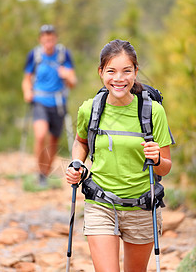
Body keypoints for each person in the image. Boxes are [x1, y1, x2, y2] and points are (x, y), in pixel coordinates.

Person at [66, 39, 172, 272]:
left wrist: (156, 160)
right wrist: (77, 163)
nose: (119, 78)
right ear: (101, 72)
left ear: (136, 71)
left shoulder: (153, 111)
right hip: (101, 203)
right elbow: (81, 141)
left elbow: (165, 167)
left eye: (126, 71)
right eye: (111, 71)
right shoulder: (90, 109)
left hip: (142, 206)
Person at [22, 24, 77, 187]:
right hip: (39, 101)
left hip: (58, 103)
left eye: (51, 39)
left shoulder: (63, 54)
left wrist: (67, 76)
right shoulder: (34, 55)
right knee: (40, 136)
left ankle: (45, 174)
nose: (48, 43)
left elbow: (73, 82)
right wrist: (27, 91)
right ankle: (39, 173)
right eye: (45, 40)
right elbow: (26, 78)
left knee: (53, 140)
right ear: (41, 40)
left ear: (55, 39)